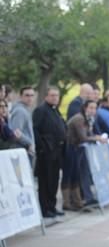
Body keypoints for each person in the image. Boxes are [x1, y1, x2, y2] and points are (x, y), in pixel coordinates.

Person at [63, 100, 106, 210]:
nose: (93, 110)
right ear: (85, 108)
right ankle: (68, 203)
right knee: (70, 175)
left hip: (77, 148)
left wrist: (96, 137)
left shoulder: (88, 119)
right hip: (71, 148)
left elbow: (89, 134)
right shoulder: (79, 119)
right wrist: (97, 138)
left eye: (95, 108)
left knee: (77, 175)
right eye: (91, 108)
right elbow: (83, 137)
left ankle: (77, 201)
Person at [32, 87, 67, 219]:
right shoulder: (40, 110)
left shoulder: (55, 110)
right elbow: (35, 130)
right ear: (46, 96)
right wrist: (42, 147)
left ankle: (52, 207)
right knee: (45, 182)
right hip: (46, 153)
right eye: (52, 95)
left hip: (57, 152)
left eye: (57, 96)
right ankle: (45, 209)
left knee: (53, 181)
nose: (55, 98)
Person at [9, 86, 36, 161]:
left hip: (24, 150)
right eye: (27, 95)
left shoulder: (25, 109)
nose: (30, 98)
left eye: (32, 95)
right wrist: (29, 143)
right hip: (22, 151)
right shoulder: (20, 111)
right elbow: (16, 133)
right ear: (20, 96)